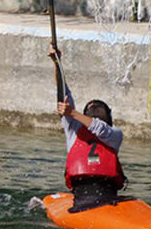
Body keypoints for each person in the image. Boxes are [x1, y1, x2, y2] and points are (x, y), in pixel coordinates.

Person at [52, 47, 125, 212]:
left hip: (109, 198)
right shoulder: (74, 131)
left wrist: (72, 112)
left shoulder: (115, 135)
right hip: (81, 199)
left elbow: (100, 129)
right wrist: (57, 62)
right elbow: (64, 93)